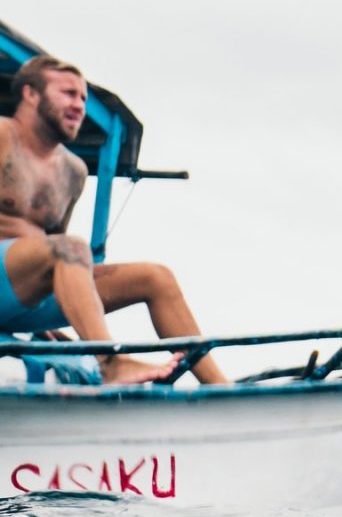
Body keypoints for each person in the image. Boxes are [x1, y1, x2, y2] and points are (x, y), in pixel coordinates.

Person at [0, 54, 229, 384]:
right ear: (30, 94)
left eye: (82, 97)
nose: (79, 104)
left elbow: (49, 246)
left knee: (156, 277)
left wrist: (47, 320)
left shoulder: (73, 171)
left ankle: (220, 388)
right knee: (70, 248)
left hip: (22, 292)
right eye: (67, 93)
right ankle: (111, 362)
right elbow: (58, 249)